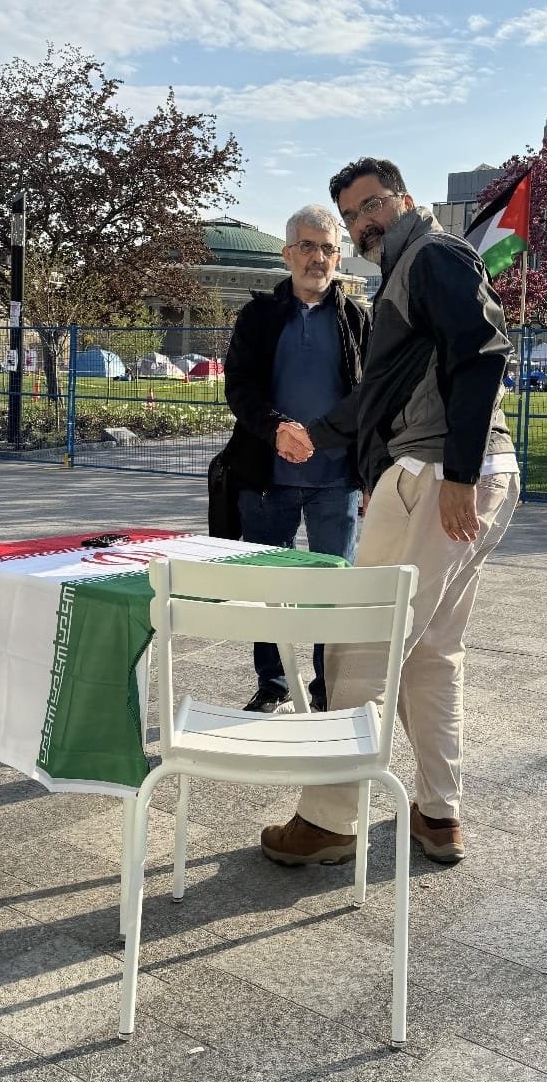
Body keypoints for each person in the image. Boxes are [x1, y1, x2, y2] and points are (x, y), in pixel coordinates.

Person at [260, 158, 519, 867]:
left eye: (371, 206)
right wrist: (319, 431)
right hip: (466, 472)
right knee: (433, 653)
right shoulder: (408, 269)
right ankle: (440, 813)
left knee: (361, 644)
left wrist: (458, 472)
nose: (363, 223)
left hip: (441, 474)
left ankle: (329, 820)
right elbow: (386, 389)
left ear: (403, 199)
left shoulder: (433, 255)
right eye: (352, 216)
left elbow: (483, 350)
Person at [223, 204, 371, 713]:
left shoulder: (356, 319)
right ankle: (275, 683)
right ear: (287, 254)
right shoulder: (259, 316)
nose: (318, 257)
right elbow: (238, 387)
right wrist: (276, 428)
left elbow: (371, 399)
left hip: (337, 480)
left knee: (333, 589)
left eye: (328, 247)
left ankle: (327, 688)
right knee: (272, 587)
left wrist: (370, 474)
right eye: (307, 246)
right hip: (268, 478)